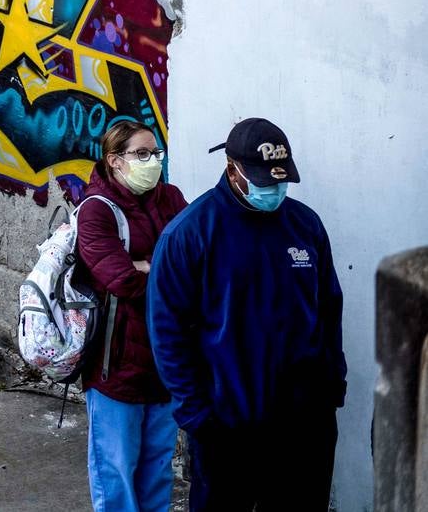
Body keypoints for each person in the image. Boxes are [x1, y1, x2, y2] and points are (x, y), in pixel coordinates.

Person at [149, 118, 346, 512]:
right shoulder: (190, 234)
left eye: (280, 180)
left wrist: (330, 387)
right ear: (231, 169)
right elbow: (167, 332)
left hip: (304, 423)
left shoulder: (304, 225)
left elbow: (328, 309)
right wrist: (197, 417)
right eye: (262, 180)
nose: (273, 190)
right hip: (226, 426)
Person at [74, 120, 187, 512]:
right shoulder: (95, 211)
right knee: (116, 474)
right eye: (141, 154)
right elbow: (121, 279)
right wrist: (158, 270)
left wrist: (149, 266)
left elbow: (195, 265)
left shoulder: (170, 199)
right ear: (115, 160)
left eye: (155, 153)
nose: (152, 161)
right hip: (116, 365)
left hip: (165, 361)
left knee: (158, 471)